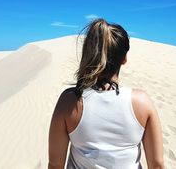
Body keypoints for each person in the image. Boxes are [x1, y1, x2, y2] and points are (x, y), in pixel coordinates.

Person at [48, 18, 165, 169]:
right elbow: (157, 164)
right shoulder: (142, 102)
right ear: (124, 59)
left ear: (89, 53)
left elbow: (55, 164)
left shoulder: (69, 101)